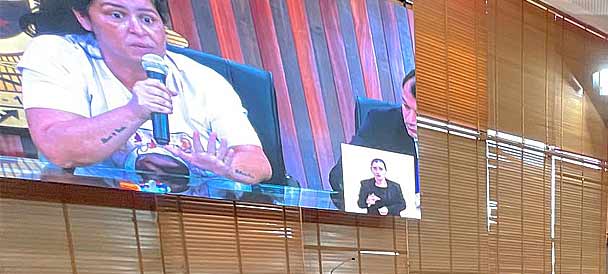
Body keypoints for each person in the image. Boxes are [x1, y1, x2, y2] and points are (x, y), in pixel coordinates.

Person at [18, 0, 271, 186]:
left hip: (192, 224)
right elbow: (60, 150)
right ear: (85, 18)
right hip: (92, 224)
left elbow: (256, 163)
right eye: (116, 15)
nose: (137, 29)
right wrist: (134, 111)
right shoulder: (58, 54)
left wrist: (228, 169)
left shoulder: (203, 79)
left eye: (148, 19)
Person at [330, 71, 418, 205]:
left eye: (419, 112)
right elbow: (337, 177)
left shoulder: (454, 138)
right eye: (406, 106)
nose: (411, 119)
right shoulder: (379, 123)